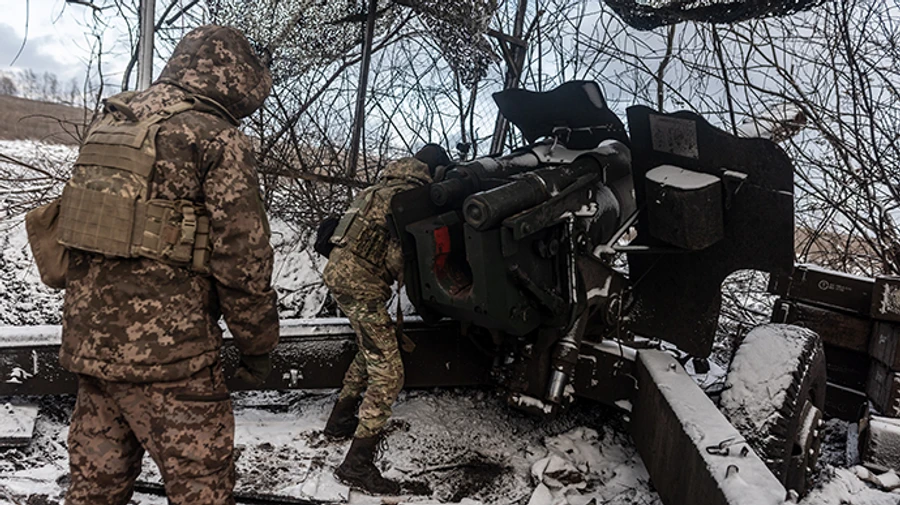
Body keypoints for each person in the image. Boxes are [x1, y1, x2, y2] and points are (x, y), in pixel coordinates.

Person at [59, 25, 279, 505]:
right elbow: (244, 256)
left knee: (93, 489)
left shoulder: (113, 122)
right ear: (235, 76)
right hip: (172, 361)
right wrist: (257, 344)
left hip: (92, 348)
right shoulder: (217, 138)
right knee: (202, 490)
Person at [322, 144, 451, 494]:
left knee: (370, 353)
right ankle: (356, 465)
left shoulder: (377, 189)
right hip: (361, 287)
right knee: (390, 374)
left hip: (340, 275)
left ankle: (341, 421)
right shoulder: (409, 200)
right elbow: (398, 259)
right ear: (434, 173)